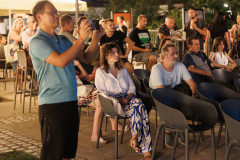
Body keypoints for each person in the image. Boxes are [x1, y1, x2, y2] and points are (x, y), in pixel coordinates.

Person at [30, 1, 104, 159]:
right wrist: (80, 39)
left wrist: (95, 39)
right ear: (39, 17)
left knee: (67, 153)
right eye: (51, 13)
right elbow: (61, 61)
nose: (56, 15)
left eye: (56, 12)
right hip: (52, 104)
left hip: (71, 99)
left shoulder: (62, 39)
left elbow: (85, 57)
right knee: (53, 154)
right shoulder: (38, 41)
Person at [95, 42, 152, 159]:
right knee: (141, 110)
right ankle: (144, 147)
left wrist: (130, 95)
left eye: (117, 52)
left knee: (139, 105)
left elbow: (131, 85)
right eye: (113, 53)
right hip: (112, 103)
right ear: (106, 56)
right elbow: (102, 92)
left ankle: (135, 138)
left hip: (128, 99)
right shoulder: (100, 72)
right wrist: (119, 99)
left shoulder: (122, 69)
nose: (117, 55)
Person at [149, 43, 196, 147]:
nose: (176, 56)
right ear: (164, 56)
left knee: (184, 100)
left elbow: (192, 84)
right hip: (157, 96)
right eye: (173, 54)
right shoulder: (157, 69)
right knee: (171, 102)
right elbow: (162, 92)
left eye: (176, 53)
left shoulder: (180, 66)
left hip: (172, 92)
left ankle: (179, 127)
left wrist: (193, 96)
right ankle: (169, 131)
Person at [76, 16, 100, 81]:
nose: (88, 25)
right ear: (78, 28)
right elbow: (83, 59)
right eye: (85, 23)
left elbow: (86, 59)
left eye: (88, 22)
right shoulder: (73, 41)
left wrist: (96, 37)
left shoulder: (85, 41)